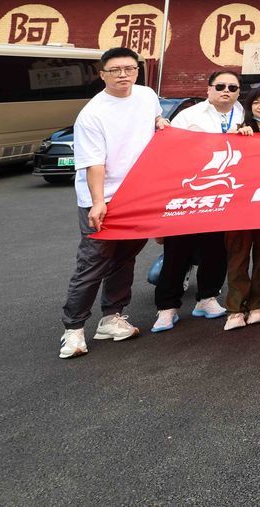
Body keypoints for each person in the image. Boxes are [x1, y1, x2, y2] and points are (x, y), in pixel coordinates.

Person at [58, 47, 165, 359]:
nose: (123, 75)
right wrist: (96, 202)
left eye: (129, 69)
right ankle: (74, 329)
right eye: (115, 70)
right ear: (102, 74)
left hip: (138, 193)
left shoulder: (146, 96)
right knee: (94, 260)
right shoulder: (93, 114)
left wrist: (161, 122)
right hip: (102, 196)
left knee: (125, 255)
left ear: (137, 71)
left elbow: (155, 120)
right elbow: (95, 164)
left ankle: (111, 317)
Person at [152, 70, 241, 330]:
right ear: (209, 90)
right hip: (190, 193)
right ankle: (167, 308)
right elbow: (167, 150)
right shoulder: (188, 116)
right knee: (178, 250)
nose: (227, 91)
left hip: (224, 194)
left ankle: (207, 298)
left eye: (233, 87)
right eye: (221, 86)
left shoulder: (242, 114)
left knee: (216, 250)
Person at [223, 83, 260, 331]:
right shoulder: (239, 130)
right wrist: (237, 138)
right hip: (239, 205)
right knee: (237, 256)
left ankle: (258, 305)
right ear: (249, 106)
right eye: (256, 102)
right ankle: (235, 308)